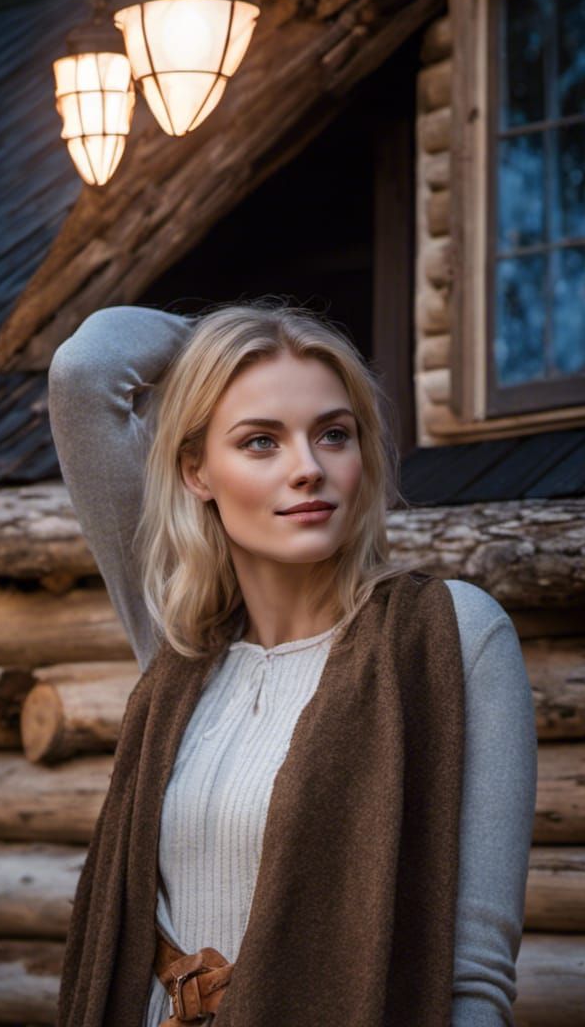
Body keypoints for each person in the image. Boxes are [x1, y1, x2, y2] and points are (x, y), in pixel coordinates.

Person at [48, 300, 537, 1027]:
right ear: (196, 470)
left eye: (333, 434)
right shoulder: (178, 647)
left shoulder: (451, 636)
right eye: (260, 442)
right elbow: (86, 372)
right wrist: (243, 342)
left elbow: (471, 979)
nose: (308, 468)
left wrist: (273, 353)